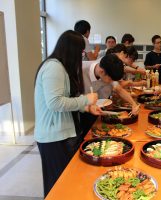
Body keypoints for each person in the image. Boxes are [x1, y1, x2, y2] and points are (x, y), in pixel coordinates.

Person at [34, 30, 100, 197]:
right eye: (80, 52)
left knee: (66, 181)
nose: (82, 56)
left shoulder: (61, 67)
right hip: (53, 137)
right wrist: (86, 100)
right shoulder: (53, 67)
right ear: (72, 50)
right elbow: (55, 103)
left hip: (63, 133)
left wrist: (86, 108)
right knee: (58, 185)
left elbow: (67, 100)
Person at [81, 54, 140, 134]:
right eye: (110, 79)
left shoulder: (107, 71)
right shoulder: (81, 70)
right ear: (102, 72)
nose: (111, 82)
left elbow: (119, 89)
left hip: (92, 109)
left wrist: (133, 104)